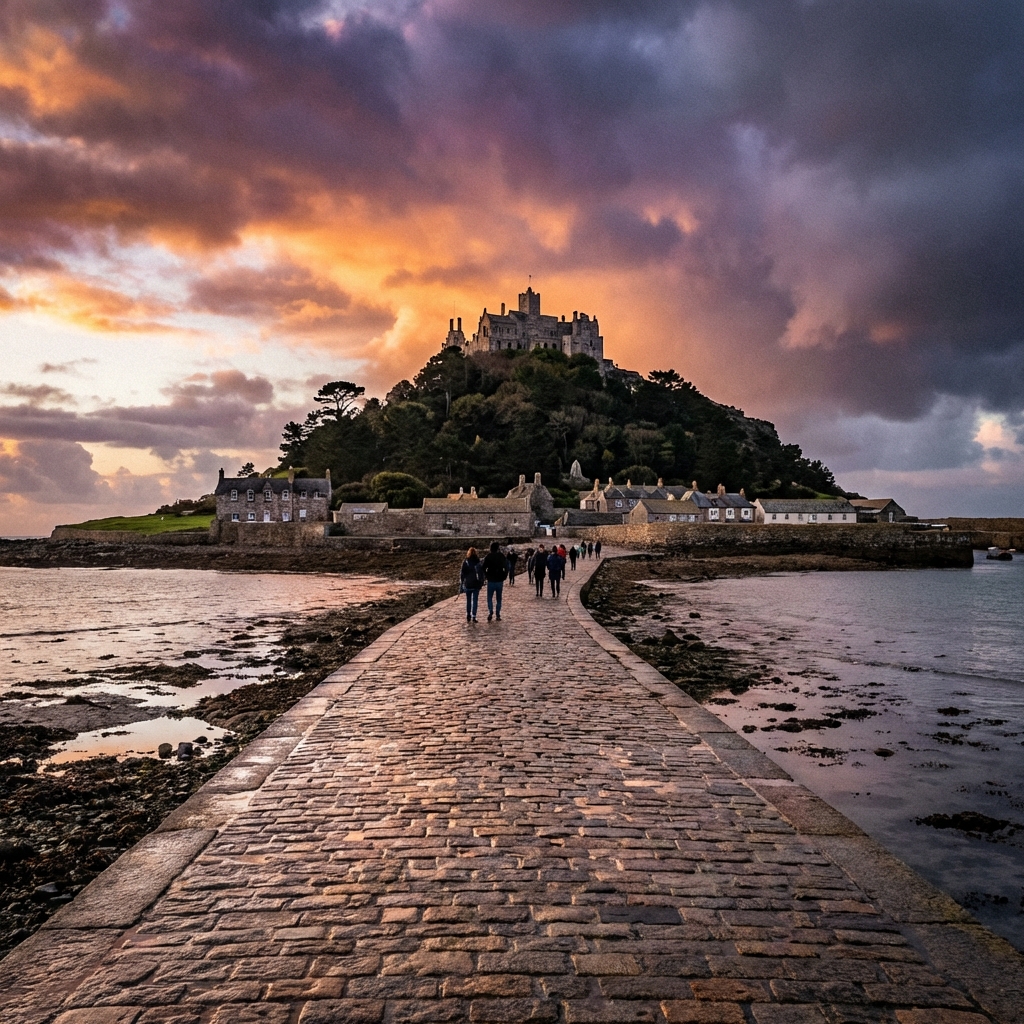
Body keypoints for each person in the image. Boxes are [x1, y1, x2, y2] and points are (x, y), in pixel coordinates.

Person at [482, 541, 508, 621]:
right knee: (499, 598)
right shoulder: (501, 556)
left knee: (489, 597)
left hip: (491, 580)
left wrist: (486, 575)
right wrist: (504, 576)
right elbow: (506, 567)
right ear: (498, 548)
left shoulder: (488, 556)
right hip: (499, 580)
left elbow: (483, 567)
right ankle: (498, 614)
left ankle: (490, 611)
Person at [460, 546, 484, 622]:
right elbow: (481, 573)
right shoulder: (478, 562)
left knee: (468, 600)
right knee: (475, 600)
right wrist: (481, 582)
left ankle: (468, 615)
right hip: (476, 584)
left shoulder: (465, 561)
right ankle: (474, 616)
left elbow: (462, 573)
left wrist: (462, 582)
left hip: (468, 584)